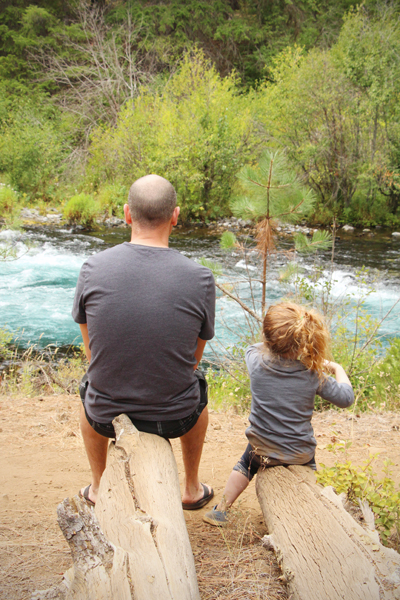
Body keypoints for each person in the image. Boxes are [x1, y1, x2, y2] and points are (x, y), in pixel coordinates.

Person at [72, 174, 216, 510]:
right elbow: (193, 359)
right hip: (175, 417)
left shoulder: (92, 268)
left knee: (88, 384)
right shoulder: (200, 278)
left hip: (105, 416)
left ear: (126, 214)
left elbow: (92, 351)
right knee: (200, 388)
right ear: (175, 216)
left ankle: (97, 487)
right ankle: (192, 488)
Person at [203, 301, 354, 526]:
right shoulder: (313, 374)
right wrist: (336, 368)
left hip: (260, 448)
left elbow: (256, 347)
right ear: (303, 339)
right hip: (300, 453)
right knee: (311, 467)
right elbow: (346, 398)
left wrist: (273, 339)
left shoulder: (255, 360)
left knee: (244, 463)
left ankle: (222, 509)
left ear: (267, 338)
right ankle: (311, 510)